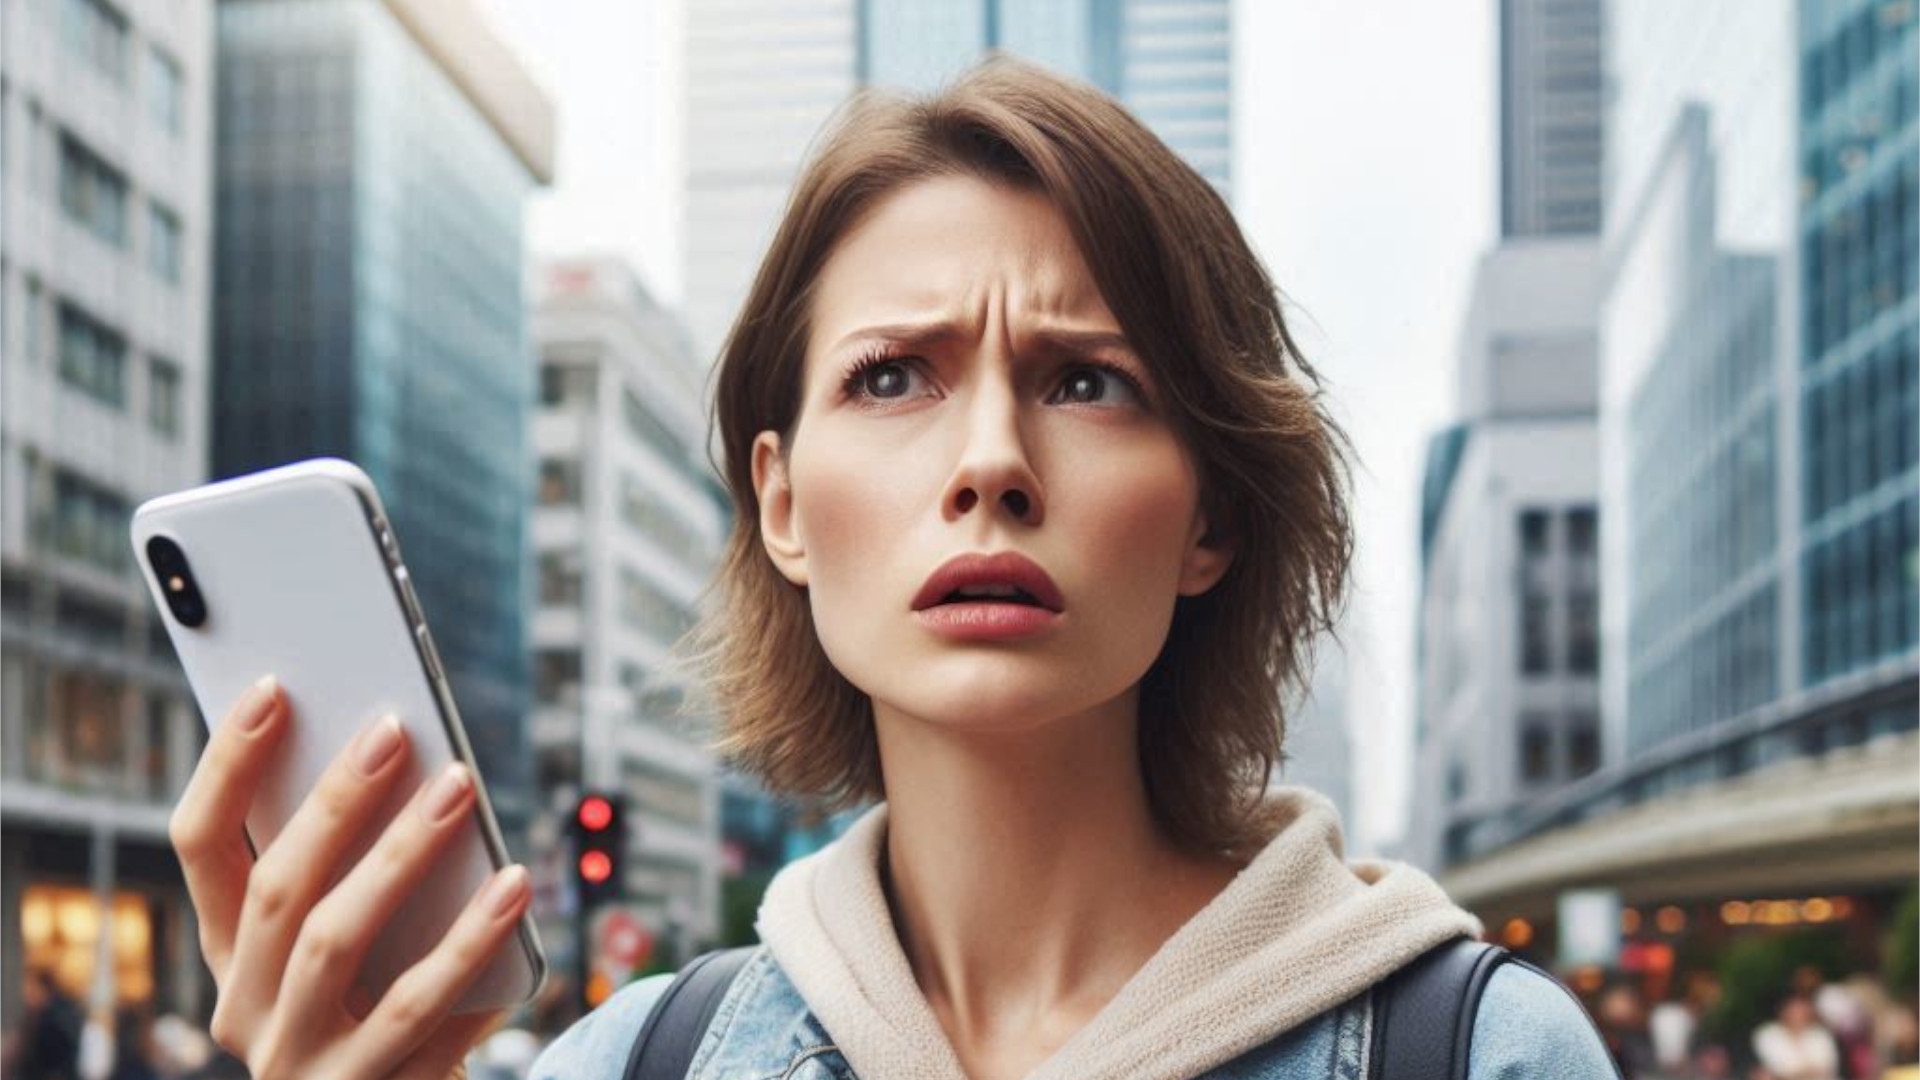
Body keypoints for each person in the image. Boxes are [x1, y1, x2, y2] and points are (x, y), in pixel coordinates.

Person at [166, 57, 1622, 1080]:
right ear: (781, 506)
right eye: (890, 380)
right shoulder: (631, 1062)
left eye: (1088, 383)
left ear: (1210, 521)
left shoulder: (1479, 1050)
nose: (990, 460)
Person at [1754, 993, 1843, 1080]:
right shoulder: (1768, 1033)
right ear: (1783, 1012)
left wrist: (1797, 1073)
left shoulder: (1820, 1034)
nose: (1799, 1015)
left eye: (1803, 1011)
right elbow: (1778, 1069)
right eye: (1794, 1011)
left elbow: (1827, 1067)